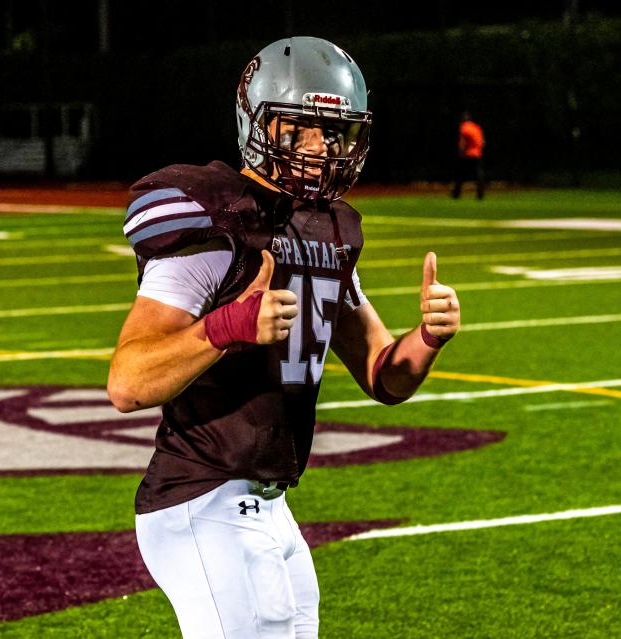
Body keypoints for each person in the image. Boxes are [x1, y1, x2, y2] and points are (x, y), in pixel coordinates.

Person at [107, 36, 461, 639]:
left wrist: (426, 338)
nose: (324, 149)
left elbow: (382, 373)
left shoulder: (330, 228)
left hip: (270, 502)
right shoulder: (217, 221)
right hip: (200, 497)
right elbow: (127, 382)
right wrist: (228, 326)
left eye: (337, 132)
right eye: (303, 128)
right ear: (260, 123)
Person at [451, 111, 486, 200]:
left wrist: (460, 152)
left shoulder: (464, 127)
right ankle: (480, 194)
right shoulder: (477, 127)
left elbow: (462, 143)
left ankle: (456, 193)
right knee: (478, 175)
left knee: (460, 174)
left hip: (468, 154)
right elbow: (483, 142)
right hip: (477, 154)